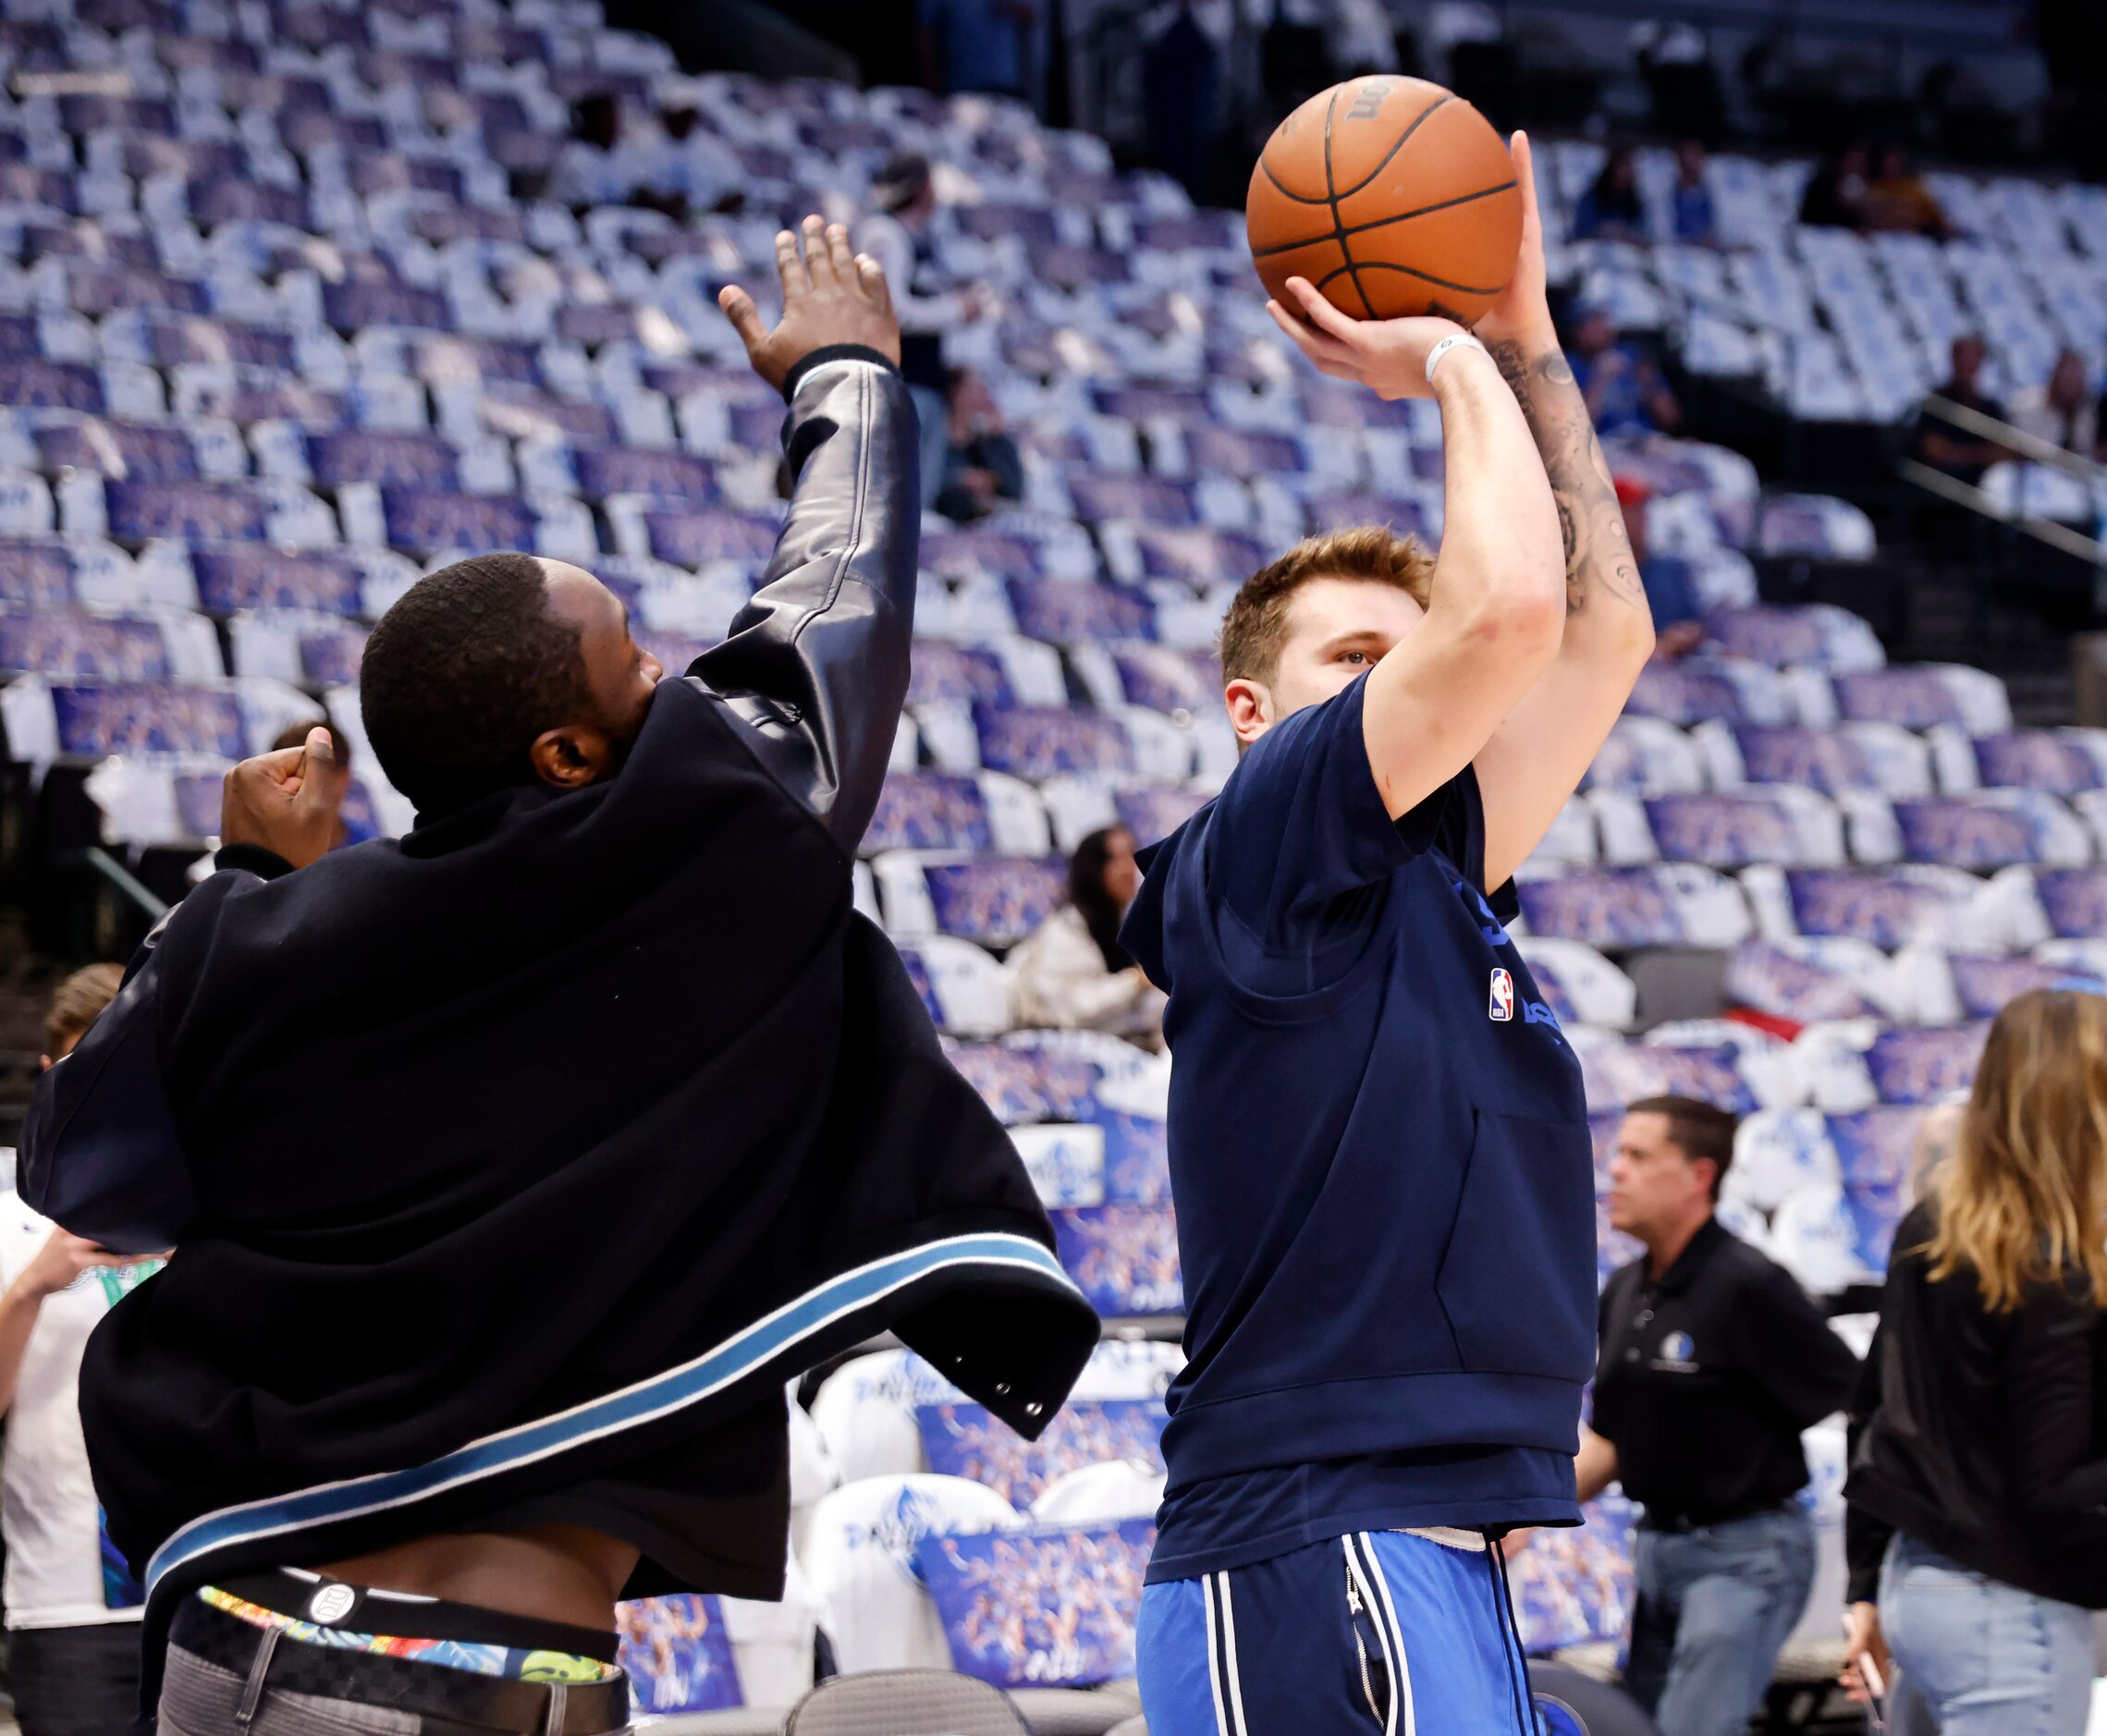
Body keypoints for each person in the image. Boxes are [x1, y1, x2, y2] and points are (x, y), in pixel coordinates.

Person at [21, 218, 1097, 1733]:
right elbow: (828, 629)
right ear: (568, 755)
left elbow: (88, 1171)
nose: (676, 680)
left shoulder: (249, 944)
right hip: (470, 1679)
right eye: (639, 667)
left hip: (241, 1640)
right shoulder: (679, 856)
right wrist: (849, 381)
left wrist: (245, 875)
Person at [1127, 132, 1656, 1731]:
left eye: (1397, 654)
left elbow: (1590, 626)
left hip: (1431, 1532)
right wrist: (1439, 358)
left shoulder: (1433, 863)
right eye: (1349, 656)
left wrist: (1523, 346)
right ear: (1250, 711)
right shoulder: (1263, 839)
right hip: (1306, 1528)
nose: (1393, 680)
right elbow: (1498, 613)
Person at [1842, 988, 2107, 1736]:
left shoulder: (1930, 1229)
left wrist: (1864, 1585)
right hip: (2004, 1604)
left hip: (1920, 1581)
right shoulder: (2054, 1271)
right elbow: (2054, 1489)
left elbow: (1875, 1415)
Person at [1575, 1097, 1859, 1736]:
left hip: (1743, 1552)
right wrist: (1518, 1519)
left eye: (1637, 1156)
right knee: (1635, 1727)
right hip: (1656, 1549)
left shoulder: (1747, 1286)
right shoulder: (1625, 1289)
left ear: (1698, 1177)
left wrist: (1874, 1564)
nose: (1614, 1171)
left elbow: (1856, 1399)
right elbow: (1609, 1439)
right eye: (1617, 1153)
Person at [0, 966, 157, 1736]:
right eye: (78, 1068)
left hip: (210, 1590)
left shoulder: (207, 1209)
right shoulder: (4, 1221)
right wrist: (31, 1285)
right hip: (66, 1608)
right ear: (48, 1074)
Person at [857, 152, 988, 510]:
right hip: (897, 381)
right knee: (892, 507)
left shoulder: (917, 236)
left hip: (923, 382)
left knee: (917, 506)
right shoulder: (883, 233)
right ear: (921, 189)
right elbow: (890, 311)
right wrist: (955, 310)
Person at [1006, 825, 1164, 1045]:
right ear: (1094, 869)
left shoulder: (1126, 922)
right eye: (1117, 858)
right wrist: (1134, 982)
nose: (1130, 868)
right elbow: (1070, 1010)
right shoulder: (1065, 930)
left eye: (1132, 854)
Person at [1614, 476, 1705, 659]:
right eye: (1631, 509)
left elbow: (1696, 625)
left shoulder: (1672, 569)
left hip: (1680, 668)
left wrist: (1682, 636)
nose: (1641, 517)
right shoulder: (1596, 576)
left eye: (1642, 508)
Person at [1569, 305, 1681, 438]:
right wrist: (1600, 379)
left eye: (1602, 321)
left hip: (1647, 441)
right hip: (1604, 445)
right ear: (1578, 331)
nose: (1601, 328)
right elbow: (1577, 430)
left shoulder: (1633, 357)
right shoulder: (1570, 366)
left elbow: (1671, 420)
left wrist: (1649, 383)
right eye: (1592, 324)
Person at [1913, 334, 2010, 484]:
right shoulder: (1935, 403)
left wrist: (1958, 453)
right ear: (1953, 359)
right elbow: (1934, 451)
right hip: (1935, 491)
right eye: (1963, 356)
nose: (1968, 363)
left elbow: (2002, 454)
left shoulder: (1991, 409)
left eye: (1974, 357)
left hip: (1982, 491)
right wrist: (1982, 455)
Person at [936, 367, 1025, 523]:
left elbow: (1014, 490)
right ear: (955, 392)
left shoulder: (985, 444)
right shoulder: (933, 437)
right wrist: (961, 479)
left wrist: (996, 440)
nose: (981, 396)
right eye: (973, 389)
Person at [2007, 347, 2099, 456]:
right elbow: (2019, 448)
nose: (2070, 385)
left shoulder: (2089, 411)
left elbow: (2086, 450)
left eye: (2075, 379)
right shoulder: (2027, 405)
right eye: (2066, 379)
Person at [1862, 144, 1954, 238]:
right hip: (1883, 237)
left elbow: (1930, 214)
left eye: (1894, 162)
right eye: (1887, 162)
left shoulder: (1912, 188)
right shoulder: (1875, 187)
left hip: (1914, 237)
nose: (1891, 166)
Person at [1571, 144, 1647, 242]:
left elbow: (1643, 231)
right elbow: (1580, 232)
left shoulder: (1634, 200)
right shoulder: (1594, 196)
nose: (1631, 171)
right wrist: (1604, 231)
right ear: (1615, 167)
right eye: (1626, 165)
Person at [1798, 143, 1870, 230]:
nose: (1858, 165)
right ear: (1844, 160)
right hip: (1818, 232)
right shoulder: (1824, 182)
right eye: (1854, 160)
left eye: (1861, 162)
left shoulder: (1859, 183)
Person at [1670, 141, 1717, 245]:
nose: (1697, 162)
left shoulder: (1705, 192)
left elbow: (1709, 226)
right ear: (1681, 160)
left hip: (1702, 246)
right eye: (1692, 157)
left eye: (1699, 158)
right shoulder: (1670, 191)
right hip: (1677, 245)